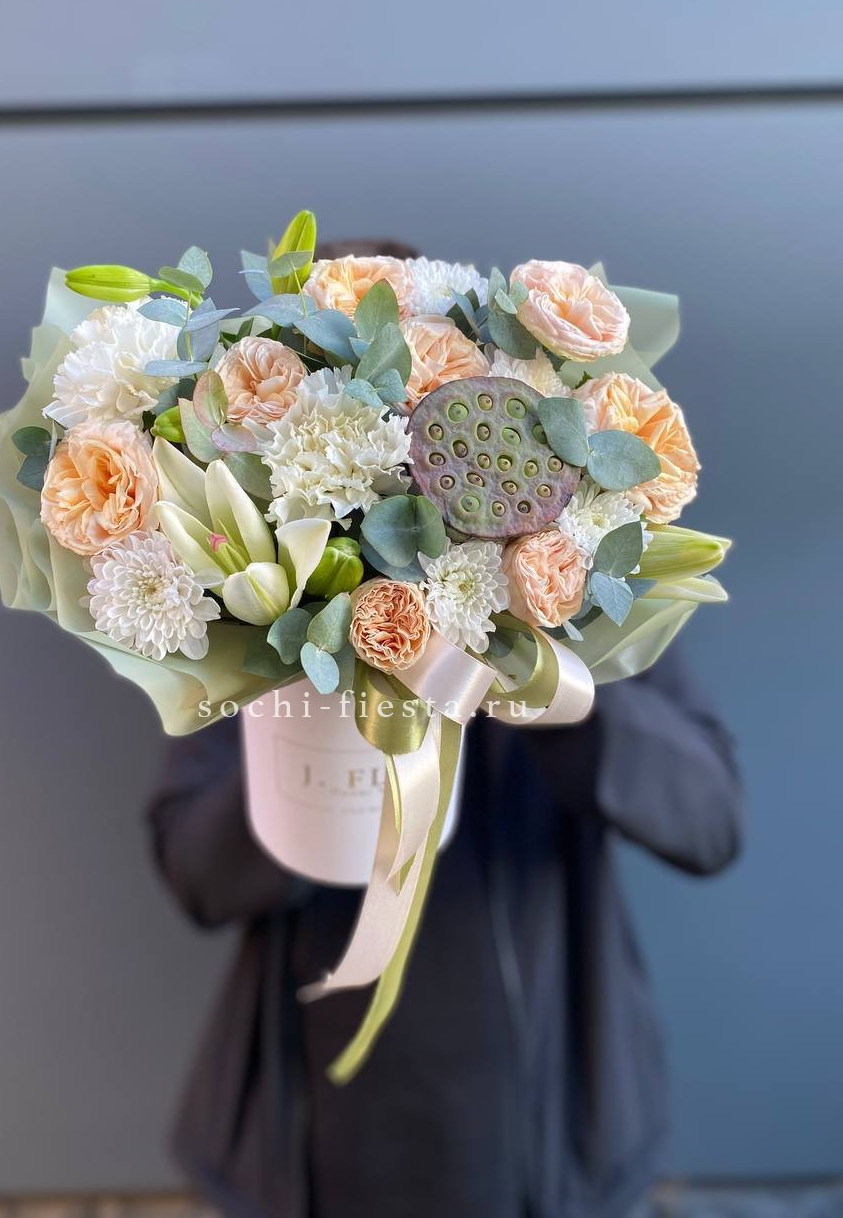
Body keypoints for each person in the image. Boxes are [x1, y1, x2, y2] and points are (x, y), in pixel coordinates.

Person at [146, 243, 743, 1218]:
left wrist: (545, 675)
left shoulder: (576, 586)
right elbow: (197, 873)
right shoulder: (243, 614)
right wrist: (317, 696)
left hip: (549, 1125)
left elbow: (710, 819)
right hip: (312, 1139)